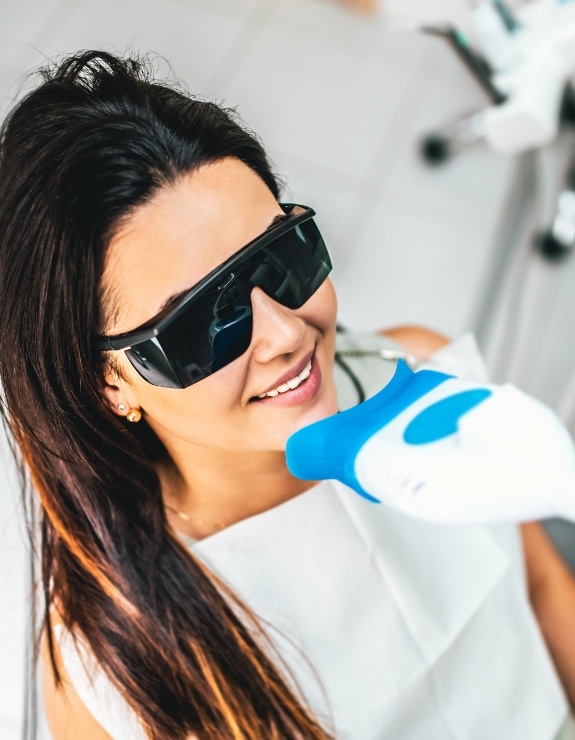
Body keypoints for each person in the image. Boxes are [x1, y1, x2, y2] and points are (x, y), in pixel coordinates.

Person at [1, 50, 575, 740]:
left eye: (280, 256)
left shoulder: (419, 366)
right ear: (109, 385)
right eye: (204, 322)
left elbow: (541, 591)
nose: (284, 331)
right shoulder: (113, 670)